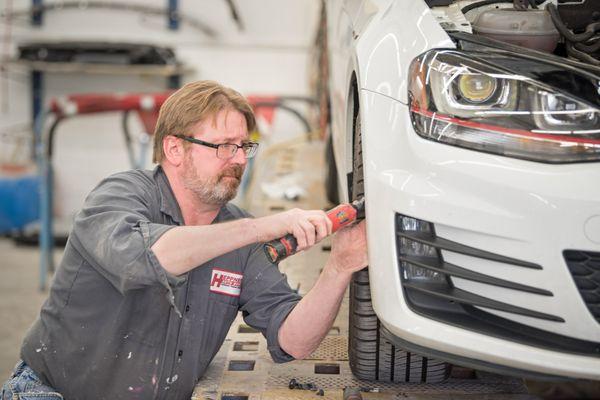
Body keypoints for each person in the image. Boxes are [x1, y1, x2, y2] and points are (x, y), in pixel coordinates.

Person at [1, 80, 368, 400]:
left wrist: (339, 267)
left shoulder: (238, 235)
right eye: (224, 146)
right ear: (175, 149)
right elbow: (147, 260)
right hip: (53, 393)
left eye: (244, 146)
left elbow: (293, 340)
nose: (239, 159)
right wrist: (268, 226)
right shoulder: (120, 196)